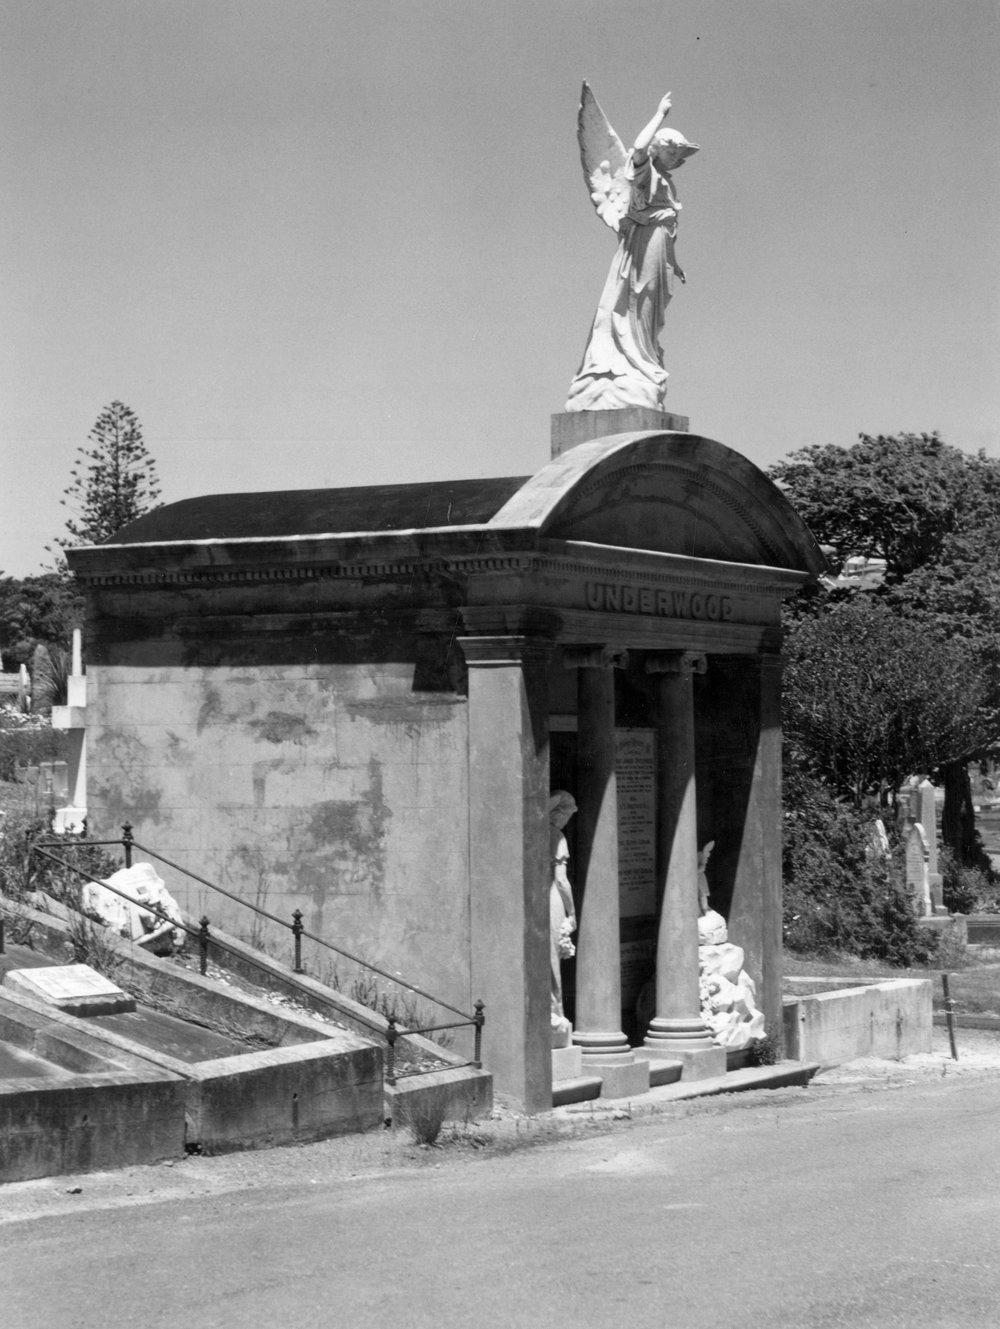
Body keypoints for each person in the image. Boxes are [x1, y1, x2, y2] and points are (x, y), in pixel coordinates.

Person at [566, 91, 699, 412]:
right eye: (675, 152)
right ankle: (632, 364)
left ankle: (642, 362)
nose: (679, 160)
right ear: (660, 150)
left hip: (660, 248)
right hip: (644, 246)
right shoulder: (645, 173)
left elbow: (668, 225)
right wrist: (660, 115)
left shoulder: (666, 181)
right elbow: (639, 148)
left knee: (651, 311)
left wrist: (675, 262)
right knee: (639, 301)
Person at [548, 790, 578, 1045]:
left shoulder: (534, 832)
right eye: (567, 815)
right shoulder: (556, 836)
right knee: (552, 961)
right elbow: (561, 880)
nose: (567, 821)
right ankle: (554, 1015)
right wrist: (572, 911)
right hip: (552, 900)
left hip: (536, 899)